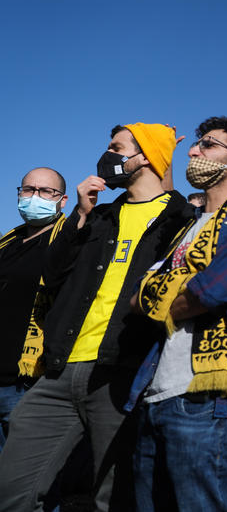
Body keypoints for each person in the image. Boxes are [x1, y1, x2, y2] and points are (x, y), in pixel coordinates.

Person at [0, 124, 189, 512]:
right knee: (12, 490)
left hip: (123, 374)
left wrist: (166, 157)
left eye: (117, 147)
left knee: (116, 498)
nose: (107, 156)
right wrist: (81, 215)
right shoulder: (99, 216)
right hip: (60, 370)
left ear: (146, 157)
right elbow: (52, 275)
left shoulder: (182, 219)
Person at [127, 116, 227, 511]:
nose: (194, 151)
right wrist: (169, 293)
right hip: (154, 392)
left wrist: (161, 295)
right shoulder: (184, 229)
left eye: (208, 144)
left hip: (208, 403)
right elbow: (136, 296)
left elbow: (211, 291)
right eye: (196, 144)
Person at [0, 168, 68, 452]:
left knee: (21, 470)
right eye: (28, 190)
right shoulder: (8, 243)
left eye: (45, 191)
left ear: (62, 200)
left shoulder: (68, 243)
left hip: (27, 381)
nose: (35, 197)